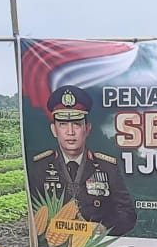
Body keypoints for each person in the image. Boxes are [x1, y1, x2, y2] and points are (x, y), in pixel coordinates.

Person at [28, 85, 137, 238]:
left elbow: (127, 213)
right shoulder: (41, 167)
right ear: (54, 130)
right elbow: (32, 210)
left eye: (77, 124)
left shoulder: (107, 167)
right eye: (63, 125)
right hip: (55, 246)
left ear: (87, 129)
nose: (70, 132)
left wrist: (104, 228)